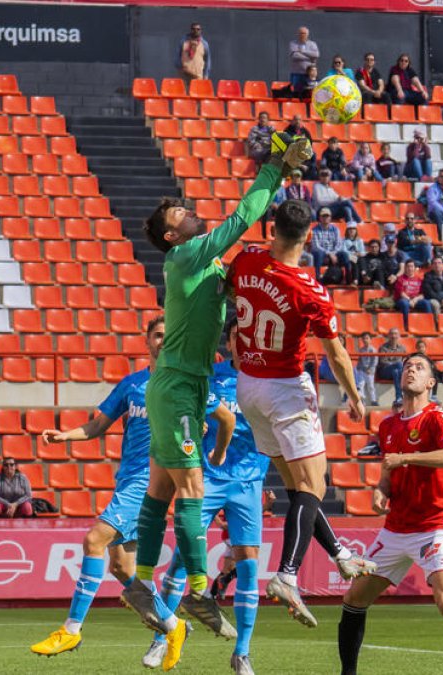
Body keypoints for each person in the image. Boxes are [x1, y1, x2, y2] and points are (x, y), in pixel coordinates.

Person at [123, 133, 312, 638]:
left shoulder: (203, 265)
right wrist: (273, 167)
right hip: (180, 387)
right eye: (178, 216)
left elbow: (241, 278)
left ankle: (141, 582)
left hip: (182, 386)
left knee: (162, 489)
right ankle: (201, 591)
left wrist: (286, 177)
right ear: (171, 236)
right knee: (191, 486)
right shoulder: (186, 258)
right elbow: (241, 220)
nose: (188, 214)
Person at [228, 199, 375, 629]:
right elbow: (336, 351)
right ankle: (288, 575)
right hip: (286, 388)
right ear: (309, 235)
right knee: (315, 483)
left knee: (297, 488)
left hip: (248, 385)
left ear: (272, 228)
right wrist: (354, 395)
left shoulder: (248, 259)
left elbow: (229, 288)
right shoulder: (308, 288)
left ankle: (342, 556)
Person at [32, 318, 204, 660]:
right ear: (147, 342)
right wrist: (66, 435)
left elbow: (202, 428)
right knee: (122, 568)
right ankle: (172, 627)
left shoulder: (184, 386)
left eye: (169, 337)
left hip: (149, 480)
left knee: (94, 539)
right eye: (157, 335)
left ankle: (71, 630)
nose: (162, 341)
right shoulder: (133, 385)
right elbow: (99, 424)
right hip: (127, 479)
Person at [338, 353, 443, 675]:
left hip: (433, 526)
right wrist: (379, 491)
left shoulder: (438, 418)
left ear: (431, 382)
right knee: (354, 599)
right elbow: (388, 472)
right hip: (395, 529)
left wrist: (406, 459)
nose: (410, 370)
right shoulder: (387, 425)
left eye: (418, 367)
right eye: (406, 367)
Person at [141, 325, 280, 673]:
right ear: (231, 342)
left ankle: (242, 652)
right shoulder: (210, 376)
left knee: (248, 563)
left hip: (249, 481)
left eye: (250, 336)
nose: (244, 341)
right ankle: (164, 638)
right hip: (208, 477)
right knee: (183, 559)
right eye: (238, 336)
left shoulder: (269, 381)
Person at [393, 260, 430, 331]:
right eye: (408, 266)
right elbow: (401, 293)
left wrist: (414, 300)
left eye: (412, 266)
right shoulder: (400, 279)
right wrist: (409, 300)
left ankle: (428, 325)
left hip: (415, 300)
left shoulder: (419, 279)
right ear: (405, 268)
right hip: (403, 300)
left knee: (427, 303)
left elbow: (422, 294)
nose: (410, 268)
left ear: (414, 268)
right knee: (405, 303)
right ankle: (406, 325)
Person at [309, 207, 345, 274]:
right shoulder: (314, 230)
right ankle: (317, 277)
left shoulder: (335, 229)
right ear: (320, 218)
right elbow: (316, 247)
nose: (325, 218)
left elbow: (338, 244)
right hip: (321, 253)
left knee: (344, 255)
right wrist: (329, 254)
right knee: (319, 254)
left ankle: (349, 280)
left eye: (327, 216)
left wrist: (333, 253)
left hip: (333, 252)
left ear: (330, 217)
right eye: (323, 216)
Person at [377, 329, 406, 403]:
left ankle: (398, 397)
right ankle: (404, 393)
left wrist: (395, 364)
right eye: (392, 334)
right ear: (388, 336)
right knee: (399, 365)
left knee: (396, 372)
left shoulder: (402, 348)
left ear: (399, 336)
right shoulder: (383, 347)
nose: (393, 336)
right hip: (385, 371)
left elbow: (404, 360)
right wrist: (396, 364)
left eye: (395, 334)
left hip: (396, 372)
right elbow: (383, 362)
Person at [288, 27, 320, 93]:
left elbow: (316, 55)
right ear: (298, 34)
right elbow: (294, 56)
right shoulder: (293, 44)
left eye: (304, 33)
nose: (303, 35)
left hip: (309, 74)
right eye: (301, 33)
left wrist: (302, 51)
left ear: (307, 34)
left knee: (309, 93)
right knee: (296, 92)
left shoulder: (312, 44)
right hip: (297, 73)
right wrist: (310, 58)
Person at [354, 334, 379, 407]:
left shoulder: (373, 350)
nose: (365, 340)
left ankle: (373, 400)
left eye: (367, 338)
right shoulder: (361, 350)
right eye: (364, 338)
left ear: (370, 340)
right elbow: (360, 360)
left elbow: (375, 361)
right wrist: (358, 367)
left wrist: (371, 369)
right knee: (361, 385)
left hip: (369, 371)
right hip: (362, 370)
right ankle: (362, 401)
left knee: (370, 386)